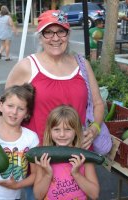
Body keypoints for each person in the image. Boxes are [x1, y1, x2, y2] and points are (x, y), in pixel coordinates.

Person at [6, 9, 104, 149]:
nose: (56, 38)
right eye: (48, 32)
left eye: (61, 31)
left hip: (78, 152)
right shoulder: (27, 67)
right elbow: (5, 109)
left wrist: (94, 129)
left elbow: (98, 104)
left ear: (68, 35)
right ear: (40, 37)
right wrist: (3, 142)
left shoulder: (82, 65)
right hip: (38, 155)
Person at [34, 105, 100, 200]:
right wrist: (48, 175)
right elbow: (38, 196)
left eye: (68, 129)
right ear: (50, 131)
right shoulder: (44, 158)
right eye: (56, 129)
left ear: (76, 131)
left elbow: (95, 194)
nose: (62, 134)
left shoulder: (84, 158)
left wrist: (76, 174)